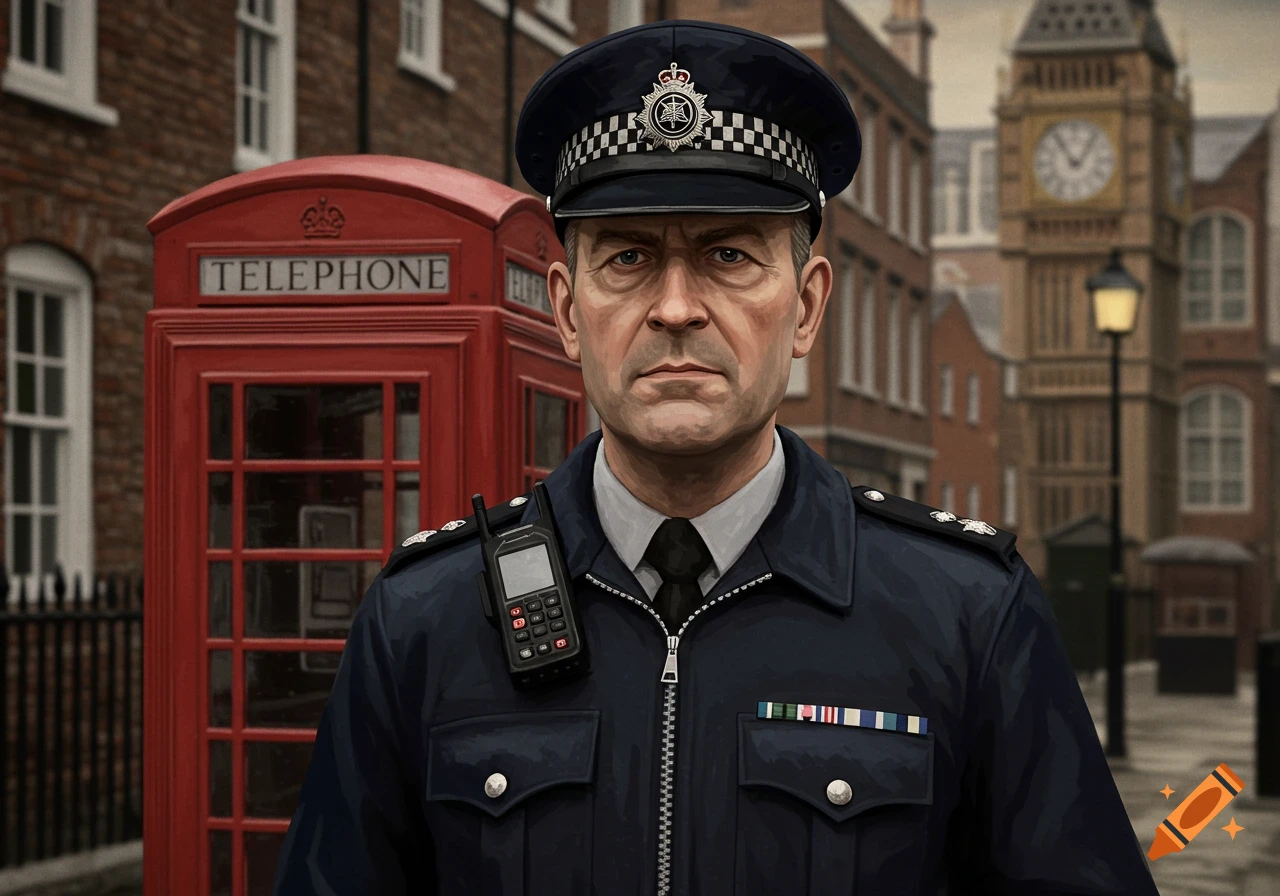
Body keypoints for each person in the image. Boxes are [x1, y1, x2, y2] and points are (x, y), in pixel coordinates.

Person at [273, 19, 1159, 896]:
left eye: (729, 254)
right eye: (626, 256)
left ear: (807, 307)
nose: (675, 307)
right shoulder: (421, 622)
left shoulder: (970, 617)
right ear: (568, 310)